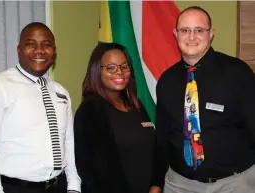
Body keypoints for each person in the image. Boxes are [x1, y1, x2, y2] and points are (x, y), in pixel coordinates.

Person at [150, 6, 255, 193]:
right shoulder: (167, 81)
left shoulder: (238, 73)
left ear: (211, 34)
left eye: (199, 30)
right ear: (176, 34)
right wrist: (157, 183)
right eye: (185, 30)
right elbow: (163, 138)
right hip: (180, 184)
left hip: (234, 184)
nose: (191, 37)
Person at [0, 22, 81, 193]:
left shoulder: (61, 92)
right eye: (31, 44)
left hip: (58, 187)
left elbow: (68, 143)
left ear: (54, 52)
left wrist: (74, 186)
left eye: (46, 45)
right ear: (19, 50)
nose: (39, 50)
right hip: (15, 188)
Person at [74, 43, 155, 193]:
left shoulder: (136, 104)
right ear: (96, 71)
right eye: (111, 68)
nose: (119, 72)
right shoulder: (90, 110)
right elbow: (91, 171)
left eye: (124, 66)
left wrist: (156, 186)